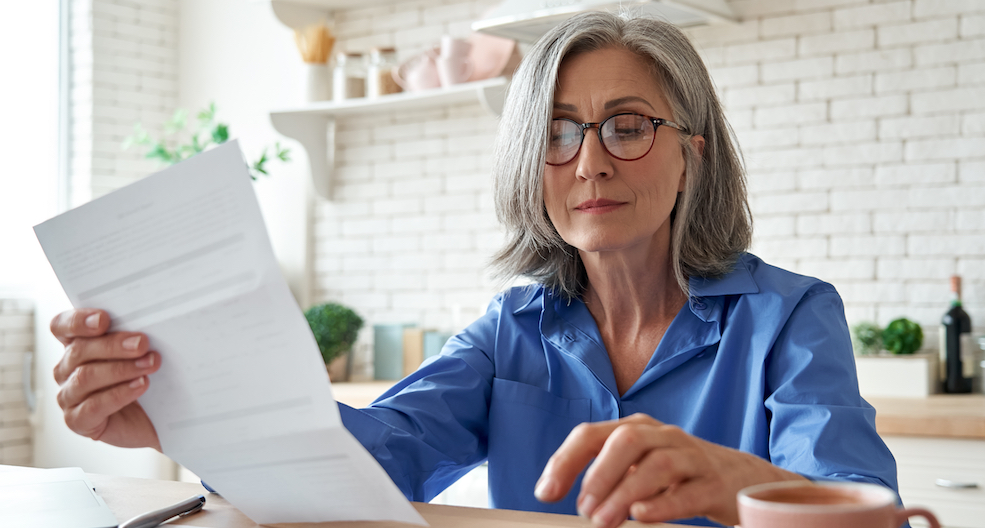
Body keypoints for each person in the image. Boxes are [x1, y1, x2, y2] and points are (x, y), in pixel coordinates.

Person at [49, 12, 900, 528]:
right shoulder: (511, 332)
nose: (589, 163)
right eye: (557, 133)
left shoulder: (788, 317)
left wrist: (730, 482)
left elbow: (863, 508)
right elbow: (369, 460)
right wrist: (170, 415)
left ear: (690, 157)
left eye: (627, 125)